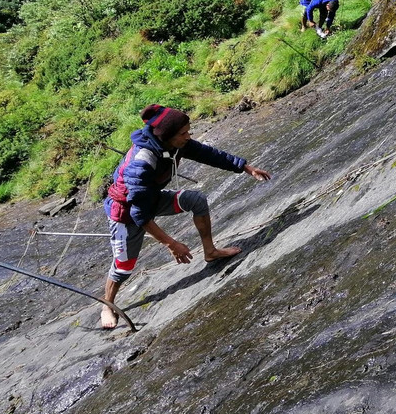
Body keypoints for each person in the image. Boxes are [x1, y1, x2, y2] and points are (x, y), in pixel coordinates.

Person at [100, 104, 271, 329]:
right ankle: (107, 305)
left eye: (188, 131)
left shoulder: (176, 144)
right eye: (184, 133)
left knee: (196, 200)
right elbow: (138, 213)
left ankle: (210, 252)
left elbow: (208, 154)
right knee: (124, 267)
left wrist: (246, 167)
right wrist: (171, 244)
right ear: (166, 136)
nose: (188, 137)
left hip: (151, 199)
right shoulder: (142, 163)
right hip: (126, 213)